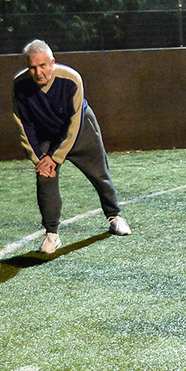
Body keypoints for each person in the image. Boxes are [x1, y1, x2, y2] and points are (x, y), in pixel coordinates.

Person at [13, 39, 130, 253]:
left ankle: (114, 217)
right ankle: (51, 235)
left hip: (81, 130)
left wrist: (55, 157)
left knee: (99, 173)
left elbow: (74, 122)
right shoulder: (19, 85)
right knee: (44, 178)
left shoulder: (72, 79)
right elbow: (24, 125)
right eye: (32, 67)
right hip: (46, 134)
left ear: (52, 63)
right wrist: (40, 159)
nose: (38, 72)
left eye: (43, 66)